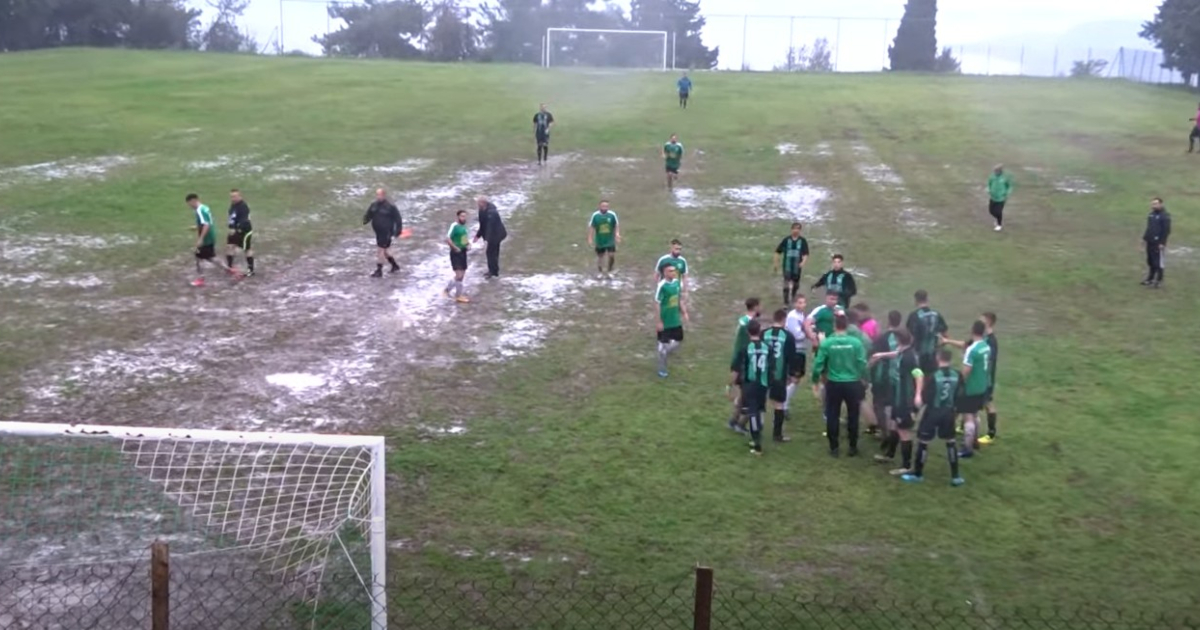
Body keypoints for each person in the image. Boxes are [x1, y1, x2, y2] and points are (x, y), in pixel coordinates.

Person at [902, 349, 966, 486]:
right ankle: (955, 476)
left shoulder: (933, 376)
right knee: (951, 442)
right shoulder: (958, 375)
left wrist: (915, 409)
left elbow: (925, 397)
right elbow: (960, 395)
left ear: (938, 358)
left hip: (932, 413)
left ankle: (918, 474)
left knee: (923, 442)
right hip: (948, 412)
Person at [812, 313, 867, 457]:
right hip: (852, 383)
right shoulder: (856, 343)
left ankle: (834, 447)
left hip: (834, 383)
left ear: (834, 326)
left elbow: (818, 364)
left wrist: (815, 381)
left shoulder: (827, 343)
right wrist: (863, 377)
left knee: (832, 414)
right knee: (853, 415)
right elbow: (862, 362)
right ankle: (853, 447)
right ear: (847, 326)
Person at [870, 329, 921, 475]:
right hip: (898, 397)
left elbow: (919, 374)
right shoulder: (904, 352)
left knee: (904, 431)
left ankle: (906, 466)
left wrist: (917, 395)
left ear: (899, 341)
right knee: (893, 425)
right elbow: (896, 354)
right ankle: (889, 455)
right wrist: (881, 355)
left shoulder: (908, 358)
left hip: (905, 400)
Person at [950, 320, 991, 458]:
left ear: (972, 330)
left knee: (968, 416)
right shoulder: (986, 346)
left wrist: (959, 382)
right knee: (975, 414)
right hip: (982, 385)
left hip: (971, 387)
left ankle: (967, 449)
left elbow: (966, 370)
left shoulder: (971, 350)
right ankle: (975, 441)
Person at [730, 319, 771, 456]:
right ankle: (756, 437)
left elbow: (736, 369)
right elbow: (771, 367)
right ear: (760, 331)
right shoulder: (767, 348)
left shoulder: (745, 349)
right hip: (763, 384)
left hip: (750, 385)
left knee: (752, 413)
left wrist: (731, 384)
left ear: (748, 332)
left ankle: (757, 444)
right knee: (759, 411)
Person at [185, 193, 240, 287]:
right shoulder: (204, 207)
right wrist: (197, 227)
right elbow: (207, 222)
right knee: (210, 257)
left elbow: (206, 224)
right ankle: (229, 270)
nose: (189, 206)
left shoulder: (199, 210)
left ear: (193, 201)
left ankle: (201, 279)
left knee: (198, 256)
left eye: (189, 204)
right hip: (211, 236)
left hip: (206, 238)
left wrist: (201, 239)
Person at [868, 310, 904, 446]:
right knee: (893, 404)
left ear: (888, 320)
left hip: (882, 377)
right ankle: (894, 431)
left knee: (879, 405)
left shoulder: (882, 338)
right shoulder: (904, 337)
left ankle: (885, 433)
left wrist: (867, 369)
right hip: (898, 376)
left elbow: (874, 357)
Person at [726, 297, 762, 433]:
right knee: (750, 396)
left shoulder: (743, 320)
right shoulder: (749, 324)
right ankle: (740, 425)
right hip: (744, 363)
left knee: (743, 395)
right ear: (755, 307)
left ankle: (733, 421)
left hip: (738, 360)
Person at [763, 309, 797, 443]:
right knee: (779, 404)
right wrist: (792, 374)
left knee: (759, 401)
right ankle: (777, 435)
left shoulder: (763, 333)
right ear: (784, 320)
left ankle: (754, 429)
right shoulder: (788, 336)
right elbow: (791, 357)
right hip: (779, 374)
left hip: (763, 373)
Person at [654, 264, 688, 378]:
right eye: (670, 271)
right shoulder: (662, 286)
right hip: (665, 320)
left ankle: (663, 352)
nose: (673, 272)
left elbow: (678, 299)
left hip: (675, 319)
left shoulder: (677, 283)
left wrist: (684, 312)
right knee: (664, 344)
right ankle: (662, 370)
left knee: (679, 339)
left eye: (674, 270)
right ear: (665, 273)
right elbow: (657, 304)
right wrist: (659, 321)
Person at [361, 188, 402, 278]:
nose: (378, 197)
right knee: (386, 251)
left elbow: (398, 219)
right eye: (377, 195)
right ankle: (395, 266)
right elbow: (369, 214)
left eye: (380, 195)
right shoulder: (374, 205)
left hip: (387, 232)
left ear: (384, 195)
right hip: (378, 232)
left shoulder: (390, 207)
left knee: (380, 250)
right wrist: (365, 220)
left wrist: (398, 231)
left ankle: (379, 270)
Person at [906, 289, 948, 376]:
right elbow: (945, 335)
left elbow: (909, 337)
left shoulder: (914, 316)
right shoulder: (936, 314)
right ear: (927, 299)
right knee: (930, 380)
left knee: (918, 380)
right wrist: (940, 346)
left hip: (918, 356)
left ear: (916, 301)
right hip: (932, 354)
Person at [783, 294, 811, 416]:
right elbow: (797, 335)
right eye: (799, 302)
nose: (802, 305)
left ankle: (784, 404)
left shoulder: (800, 315)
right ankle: (784, 406)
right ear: (794, 304)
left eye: (803, 302)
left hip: (800, 350)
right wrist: (809, 332)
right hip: (795, 350)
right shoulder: (793, 317)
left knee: (794, 379)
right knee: (794, 379)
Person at [773, 222, 810, 306]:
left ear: (800, 230)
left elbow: (806, 254)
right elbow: (777, 252)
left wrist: (803, 262)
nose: (796, 230)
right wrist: (776, 263)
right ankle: (785, 302)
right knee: (786, 284)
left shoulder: (802, 241)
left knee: (796, 285)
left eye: (798, 229)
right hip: (787, 267)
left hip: (797, 267)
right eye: (794, 228)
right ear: (791, 229)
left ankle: (793, 297)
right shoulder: (786, 240)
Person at [474, 196, 507, 279]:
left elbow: (490, 228)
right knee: (491, 253)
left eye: (478, 203)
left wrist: (487, 240)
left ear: (483, 203)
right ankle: (493, 270)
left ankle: (493, 272)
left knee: (491, 252)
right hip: (491, 235)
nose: (477, 204)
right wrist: (478, 235)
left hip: (496, 235)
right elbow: (482, 225)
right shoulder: (481, 210)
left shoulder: (492, 213)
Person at [1142, 197, 1171, 288]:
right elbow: (1149, 228)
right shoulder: (1151, 215)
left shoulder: (1164, 216)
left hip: (1158, 243)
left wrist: (1162, 243)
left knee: (1158, 262)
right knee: (1150, 261)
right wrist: (1145, 239)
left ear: (1160, 204)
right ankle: (1150, 279)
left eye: (1155, 203)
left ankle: (1158, 280)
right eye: (1152, 204)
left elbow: (1166, 231)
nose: (1153, 205)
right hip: (1150, 241)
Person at [443, 210, 471, 303]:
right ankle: (455, 294)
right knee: (458, 275)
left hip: (463, 252)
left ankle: (452, 292)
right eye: (462, 216)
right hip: (456, 253)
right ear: (458, 217)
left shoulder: (463, 227)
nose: (464, 218)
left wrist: (467, 244)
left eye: (465, 216)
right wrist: (455, 248)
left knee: (461, 275)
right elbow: (447, 239)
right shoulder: (454, 226)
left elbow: (464, 239)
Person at [225, 189, 255, 276]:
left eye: (235, 196)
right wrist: (230, 227)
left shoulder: (243, 207)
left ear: (240, 196)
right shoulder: (233, 206)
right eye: (231, 197)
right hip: (233, 230)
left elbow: (244, 220)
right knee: (229, 247)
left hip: (244, 231)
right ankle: (229, 267)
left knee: (247, 249)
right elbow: (232, 218)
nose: (233, 198)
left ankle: (250, 270)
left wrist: (237, 229)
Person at [588, 200, 620, 279]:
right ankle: (600, 272)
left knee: (611, 255)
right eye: (603, 206)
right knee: (600, 257)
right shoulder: (595, 215)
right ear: (599, 206)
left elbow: (616, 225)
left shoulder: (612, 215)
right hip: (600, 240)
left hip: (610, 240)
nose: (604, 207)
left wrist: (617, 234)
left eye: (606, 206)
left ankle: (609, 271)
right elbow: (592, 226)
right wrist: (590, 238)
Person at [986, 165, 1013, 232]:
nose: (995, 172)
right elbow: (989, 184)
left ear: (1000, 171)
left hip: (1001, 198)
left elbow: (1009, 186)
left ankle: (999, 225)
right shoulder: (992, 177)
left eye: (996, 171)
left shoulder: (1004, 178)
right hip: (993, 197)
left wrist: (1007, 193)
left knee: (998, 212)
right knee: (991, 211)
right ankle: (997, 219)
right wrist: (988, 189)